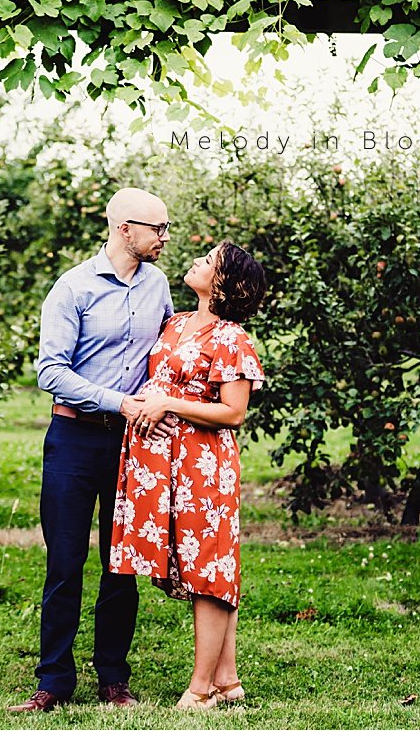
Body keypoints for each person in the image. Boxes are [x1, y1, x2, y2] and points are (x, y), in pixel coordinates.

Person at [9, 187, 175, 713]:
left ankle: (113, 680)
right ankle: (53, 682)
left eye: (166, 228)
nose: (164, 237)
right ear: (124, 229)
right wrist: (119, 401)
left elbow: (167, 355)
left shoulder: (158, 285)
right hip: (74, 440)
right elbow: (50, 372)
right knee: (65, 562)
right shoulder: (72, 287)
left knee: (121, 565)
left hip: (132, 442)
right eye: (157, 228)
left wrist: (161, 404)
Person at [109, 241, 267, 710]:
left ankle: (200, 692)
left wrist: (168, 404)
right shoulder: (175, 323)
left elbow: (234, 412)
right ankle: (227, 680)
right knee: (198, 564)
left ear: (223, 282)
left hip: (203, 466)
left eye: (209, 260)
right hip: (163, 466)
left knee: (209, 569)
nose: (198, 260)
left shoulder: (232, 338)